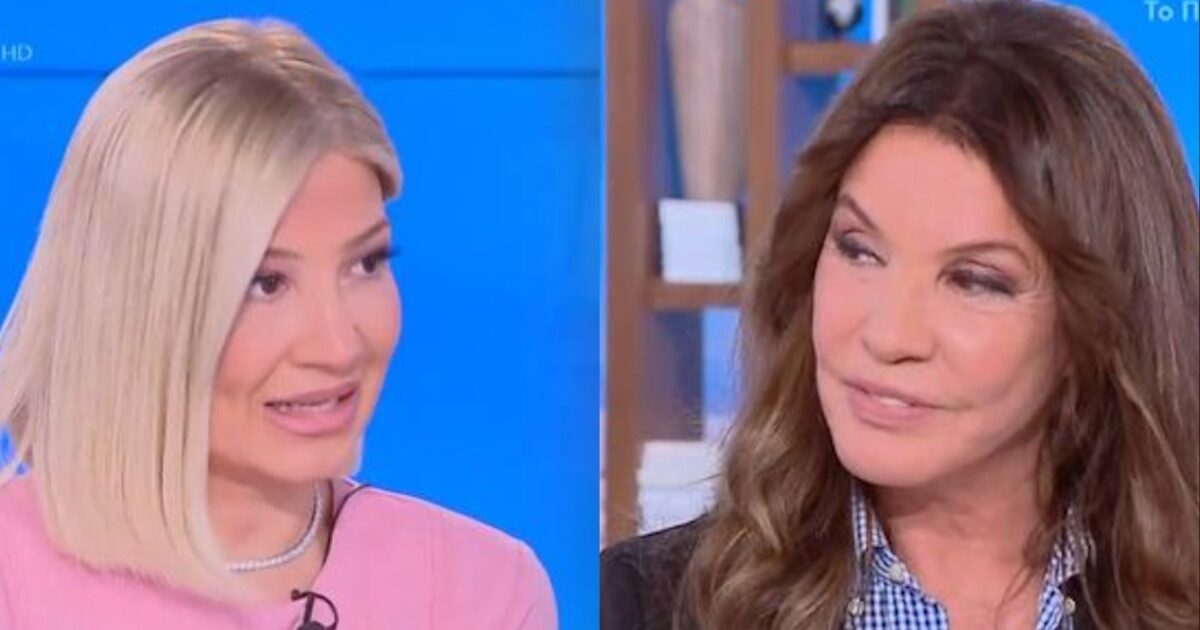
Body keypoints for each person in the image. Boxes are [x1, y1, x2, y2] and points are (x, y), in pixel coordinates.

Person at [600, 1, 1199, 628]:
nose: (888, 335)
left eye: (973, 280)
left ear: (1099, 321)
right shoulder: (640, 605)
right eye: (859, 249)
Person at [0, 19, 556, 629]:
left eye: (366, 263)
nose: (338, 346)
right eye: (266, 283)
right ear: (133, 301)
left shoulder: (484, 590)